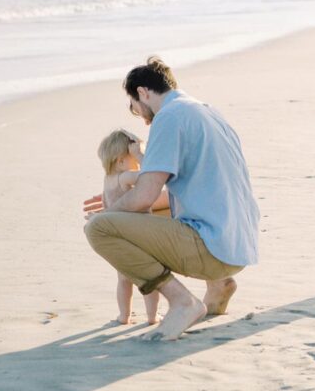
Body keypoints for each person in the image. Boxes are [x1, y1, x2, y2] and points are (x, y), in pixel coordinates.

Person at [84, 57, 260, 341]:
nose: (140, 116)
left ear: (142, 92)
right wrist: (118, 203)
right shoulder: (205, 110)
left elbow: (143, 198)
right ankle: (218, 285)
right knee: (152, 212)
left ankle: (182, 302)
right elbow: (189, 193)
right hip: (238, 244)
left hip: (212, 249)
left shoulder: (168, 118)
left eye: (134, 107)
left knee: (98, 229)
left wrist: (107, 215)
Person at [96, 128, 169, 325]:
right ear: (120, 161)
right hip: (137, 235)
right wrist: (141, 154)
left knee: (123, 280)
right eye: (133, 157)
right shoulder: (125, 177)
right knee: (149, 278)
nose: (136, 162)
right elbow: (150, 174)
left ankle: (124, 316)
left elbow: (105, 204)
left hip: (118, 237)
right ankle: (153, 317)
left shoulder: (108, 180)